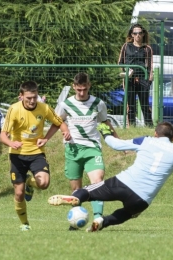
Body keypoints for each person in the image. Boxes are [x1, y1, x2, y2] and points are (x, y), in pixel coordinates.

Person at [48, 122, 173, 232]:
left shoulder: (147, 140)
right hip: (142, 199)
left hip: (123, 183)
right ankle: (103, 221)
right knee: (128, 214)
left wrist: (106, 134)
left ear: (155, 133)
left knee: (88, 190)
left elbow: (116, 145)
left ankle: (77, 197)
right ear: (172, 137)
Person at [0, 80, 71, 231]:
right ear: (21, 96)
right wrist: (11, 143)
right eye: (29, 98)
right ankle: (25, 224)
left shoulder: (44, 108)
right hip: (17, 155)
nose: (32, 101)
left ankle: (29, 183)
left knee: (44, 184)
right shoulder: (14, 109)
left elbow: (59, 122)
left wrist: (62, 132)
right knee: (18, 194)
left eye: (34, 97)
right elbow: (2, 135)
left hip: (37, 153)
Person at [56, 72, 118, 231]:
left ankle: (98, 218)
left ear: (89, 86)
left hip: (92, 148)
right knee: (76, 190)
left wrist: (118, 141)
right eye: (79, 90)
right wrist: (64, 131)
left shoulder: (98, 103)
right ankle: (75, 222)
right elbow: (58, 121)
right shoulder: (66, 104)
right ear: (74, 87)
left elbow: (105, 123)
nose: (82, 93)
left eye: (84, 89)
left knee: (97, 183)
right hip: (73, 149)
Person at [118, 23, 153, 127]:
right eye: (135, 33)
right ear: (132, 35)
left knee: (145, 105)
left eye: (140, 33)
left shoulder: (147, 48)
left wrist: (149, 81)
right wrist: (127, 71)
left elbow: (150, 66)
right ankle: (131, 127)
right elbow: (120, 62)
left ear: (143, 34)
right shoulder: (126, 46)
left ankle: (149, 127)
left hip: (143, 79)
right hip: (129, 79)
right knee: (131, 106)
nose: (137, 35)